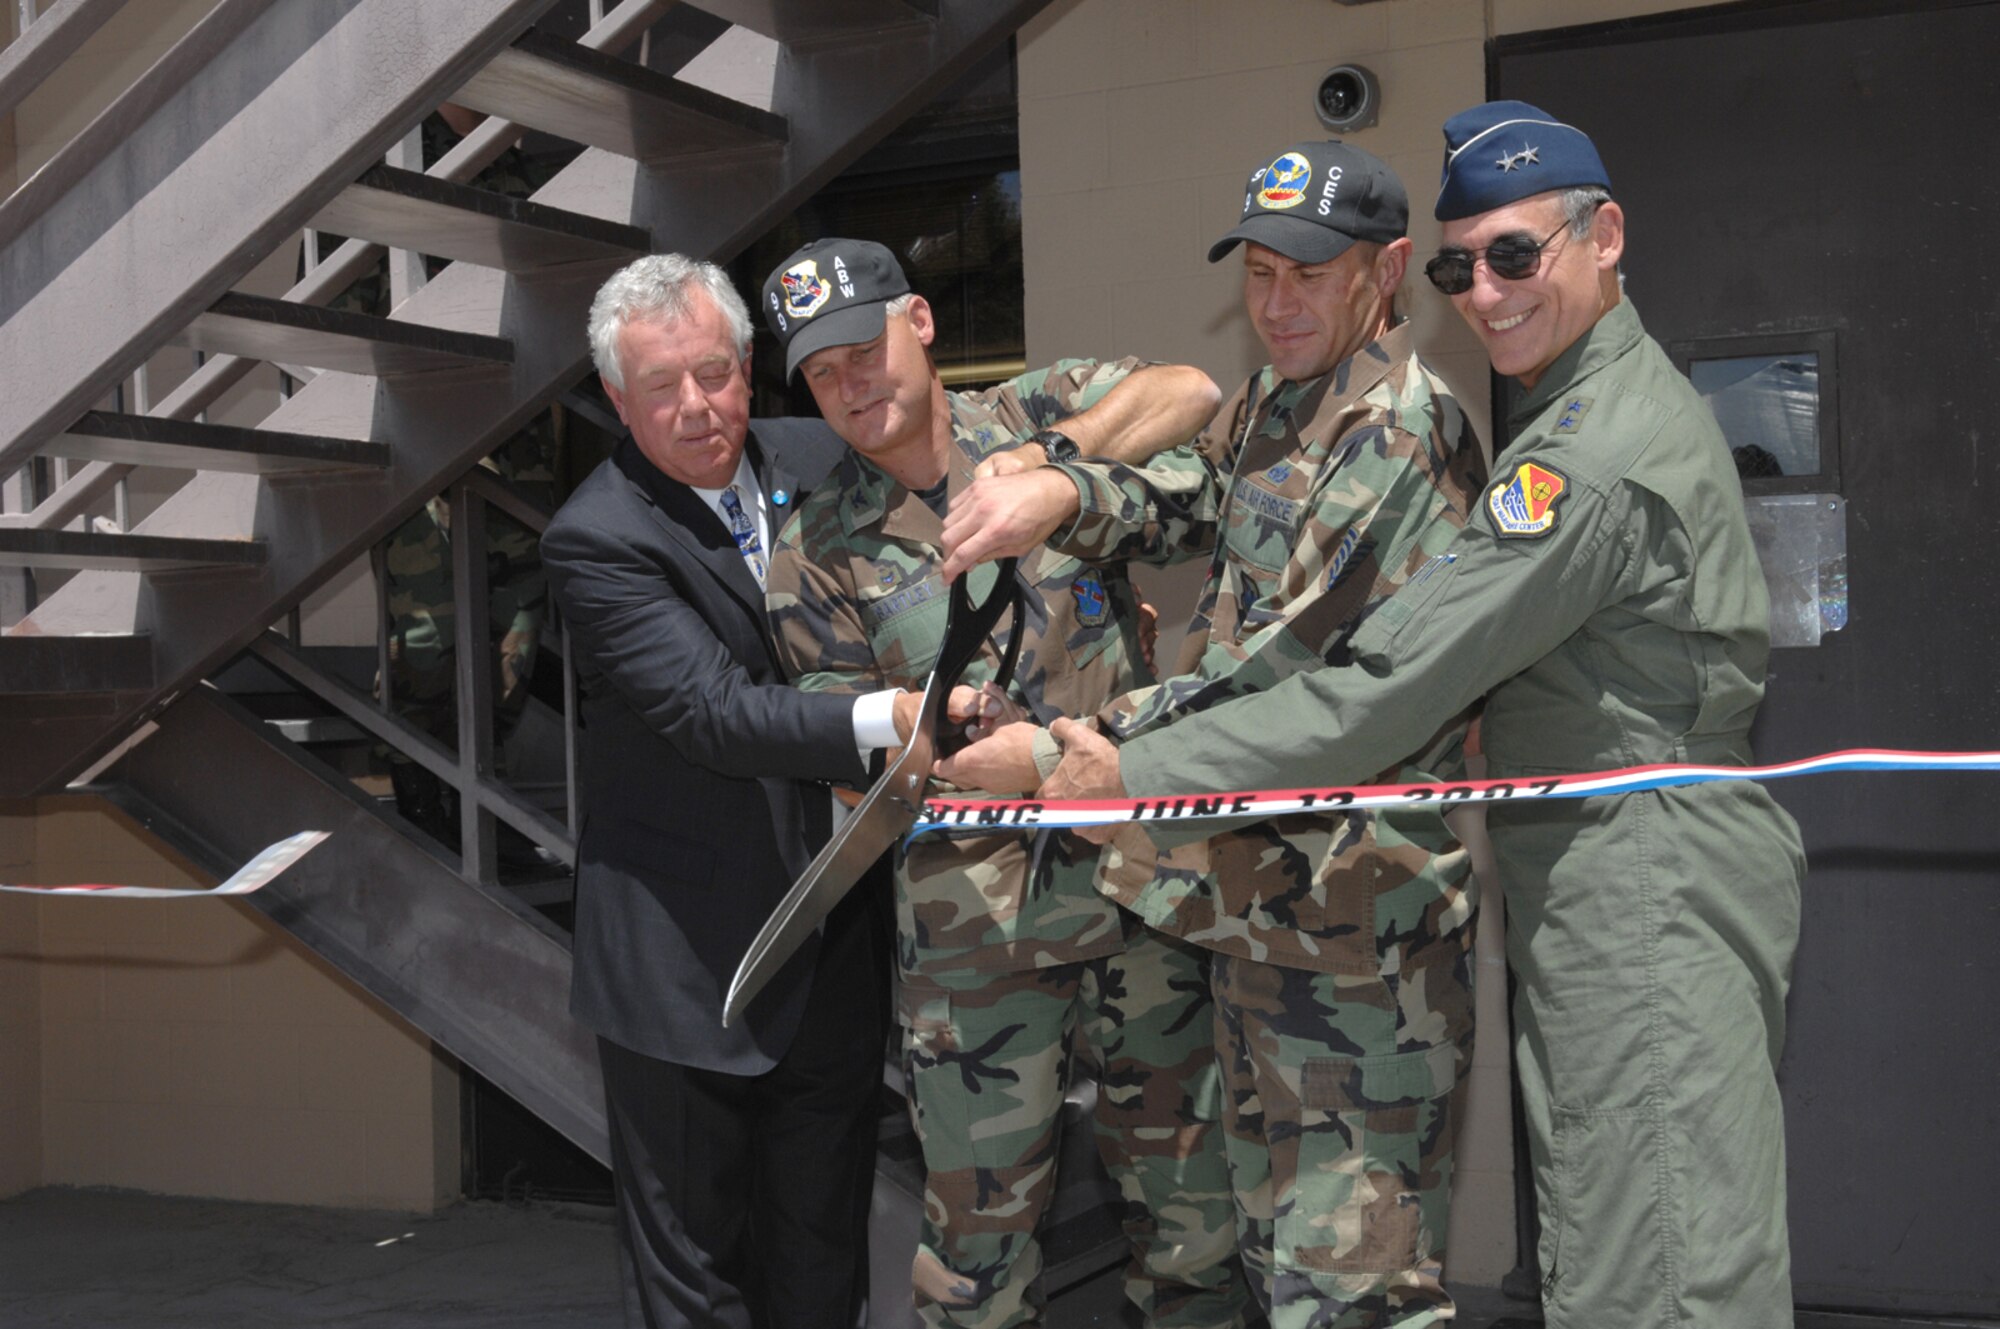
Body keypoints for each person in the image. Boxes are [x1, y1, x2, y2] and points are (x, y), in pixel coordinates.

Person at [1021, 103, 1807, 1329]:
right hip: (1593, 856)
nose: (1485, 295)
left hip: (1637, 864)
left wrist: (1128, 767)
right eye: (1464, 266)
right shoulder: (1563, 404)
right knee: (1624, 1222)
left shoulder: (1580, 453)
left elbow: (1385, 688)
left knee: (1655, 1257)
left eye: (1514, 256)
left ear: (1604, 237)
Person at [936, 140, 1490, 1328]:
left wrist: (1057, 751)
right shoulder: (1282, 407)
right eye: (1257, 274)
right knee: (1279, 1274)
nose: (1275, 304)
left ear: (1383, 272)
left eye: (1307, 274)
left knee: (1356, 1295)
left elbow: (1272, 668)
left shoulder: (1399, 431)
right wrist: (1063, 492)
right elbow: (1185, 496)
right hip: (1256, 925)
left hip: (1358, 951)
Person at [759, 238, 1248, 1329]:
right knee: (976, 1261)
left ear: (919, 320)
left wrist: (1053, 474)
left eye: (861, 346)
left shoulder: (1035, 409)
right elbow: (869, 767)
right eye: (818, 370)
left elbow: (1189, 390)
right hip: (973, 940)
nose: (848, 382)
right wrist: (955, 748)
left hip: (1139, 901)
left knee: (1192, 1232)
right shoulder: (811, 555)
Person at [542, 253, 930, 1329]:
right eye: (658, 388)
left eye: (711, 373)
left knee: (819, 1265)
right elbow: (713, 714)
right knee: (694, 1281)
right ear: (617, 401)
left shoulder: (822, 456)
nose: (694, 408)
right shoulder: (597, 535)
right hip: (679, 967)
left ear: (749, 367)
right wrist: (891, 723)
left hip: (827, 950)